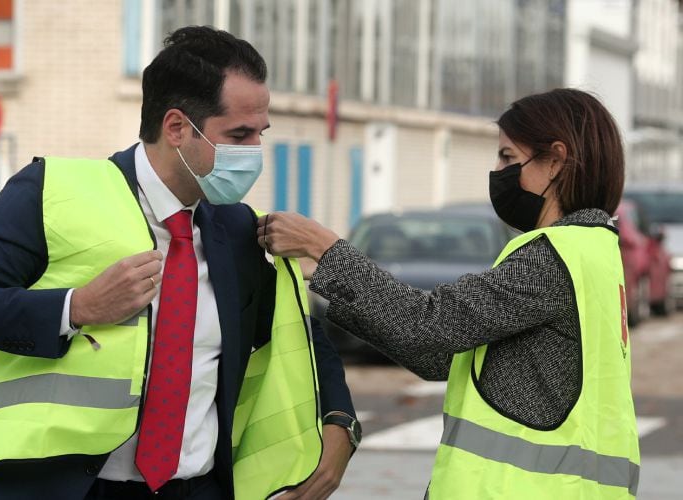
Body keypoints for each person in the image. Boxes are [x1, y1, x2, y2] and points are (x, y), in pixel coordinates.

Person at [0, 26, 358, 500]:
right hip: (60, 489)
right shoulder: (52, 193)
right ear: (176, 127)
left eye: (259, 134)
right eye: (238, 134)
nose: (253, 152)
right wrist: (76, 307)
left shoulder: (236, 229)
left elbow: (300, 335)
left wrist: (339, 422)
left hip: (195, 488)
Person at [261, 88, 640, 498]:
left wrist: (323, 248)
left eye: (508, 158)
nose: (497, 171)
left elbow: (430, 326)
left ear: (555, 161)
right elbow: (442, 355)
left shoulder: (553, 257)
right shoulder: (596, 250)